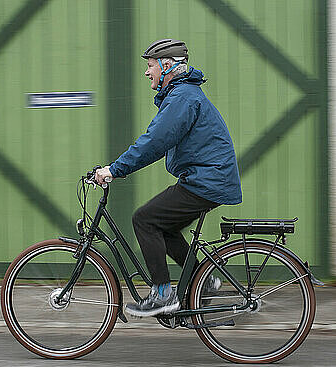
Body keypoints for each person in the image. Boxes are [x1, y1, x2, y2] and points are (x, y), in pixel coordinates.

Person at [95, 39, 242, 317]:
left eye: (150, 66)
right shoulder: (181, 94)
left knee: (145, 219)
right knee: (164, 226)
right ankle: (204, 281)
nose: (146, 72)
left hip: (207, 180)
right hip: (207, 178)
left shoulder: (182, 97)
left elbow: (154, 142)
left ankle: (162, 294)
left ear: (166, 66)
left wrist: (114, 169)